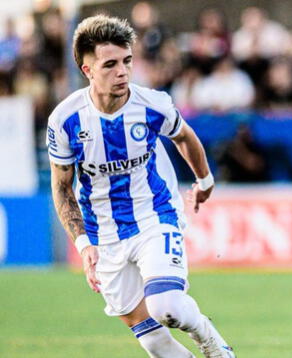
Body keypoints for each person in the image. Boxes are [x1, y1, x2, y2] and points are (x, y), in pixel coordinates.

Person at [46, 15, 235, 358]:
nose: (122, 72)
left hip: (154, 214)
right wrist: (84, 243)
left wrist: (204, 179)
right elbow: (62, 188)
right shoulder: (65, 120)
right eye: (110, 64)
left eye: (127, 61)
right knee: (153, 341)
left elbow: (184, 136)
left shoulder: (151, 104)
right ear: (87, 70)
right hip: (105, 234)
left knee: (168, 307)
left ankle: (212, 342)